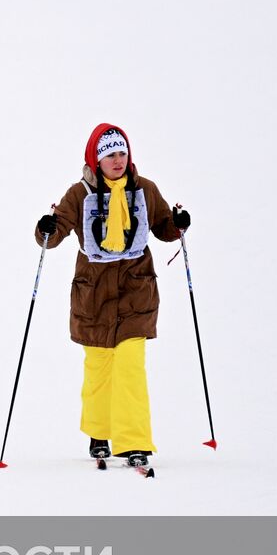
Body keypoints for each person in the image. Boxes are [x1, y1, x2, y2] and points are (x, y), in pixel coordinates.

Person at [34, 124, 190, 469]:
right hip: (93, 295)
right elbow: (57, 229)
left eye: (122, 153)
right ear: (96, 159)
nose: (118, 161)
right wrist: (46, 229)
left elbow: (164, 226)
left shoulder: (145, 190)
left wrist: (178, 223)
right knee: (99, 368)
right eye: (110, 155)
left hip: (136, 292)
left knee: (131, 367)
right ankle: (99, 433)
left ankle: (134, 442)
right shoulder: (80, 194)